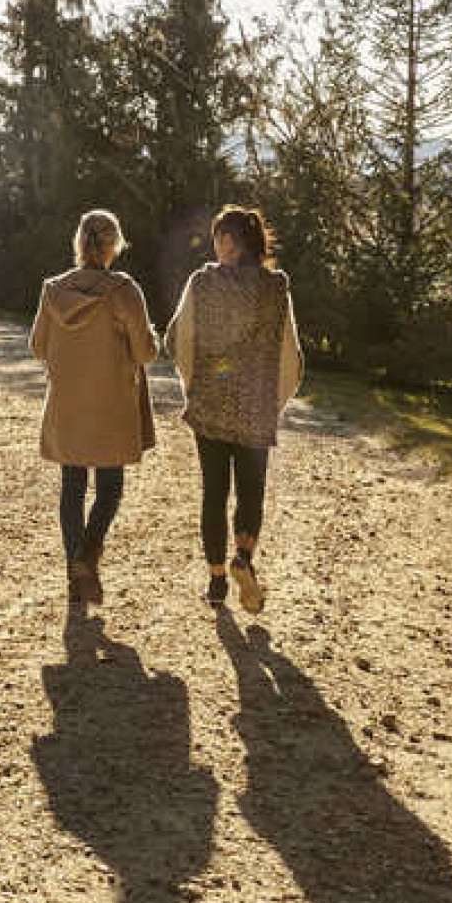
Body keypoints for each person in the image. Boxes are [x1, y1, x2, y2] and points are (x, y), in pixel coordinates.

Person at [165, 204, 305, 612]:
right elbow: (291, 357)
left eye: (219, 237)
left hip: (209, 406)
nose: (217, 245)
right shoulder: (276, 287)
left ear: (229, 241)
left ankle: (216, 580)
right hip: (256, 410)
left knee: (213, 493)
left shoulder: (202, 283)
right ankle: (243, 556)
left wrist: (195, 386)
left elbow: (179, 339)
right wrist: (271, 401)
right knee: (251, 492)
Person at [31, 209, 158, 612]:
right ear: (114, 245)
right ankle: (87, 557)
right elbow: (145, 351)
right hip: (112, 408)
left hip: (67, 405)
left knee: (72, 489)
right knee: (110, 489)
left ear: (79, 242)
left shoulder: (53, 290)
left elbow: (37, 346)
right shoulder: (123, 291)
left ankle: (75, 569)